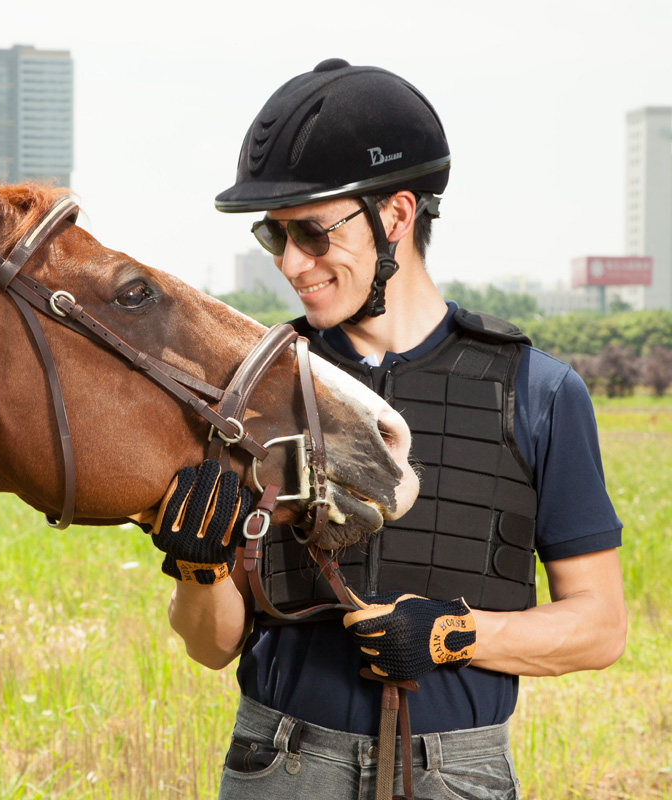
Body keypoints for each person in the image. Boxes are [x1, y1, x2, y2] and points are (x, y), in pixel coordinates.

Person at [152, 59, 626, 800]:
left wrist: (455, 636)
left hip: (455, 772)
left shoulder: (537, 393)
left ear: (397, 217)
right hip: (281, 760)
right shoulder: (252, 391)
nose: (292, 264)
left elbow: (601, 627)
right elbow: (212, 647)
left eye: (311, 233)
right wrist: (197, 569)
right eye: (273, 238)